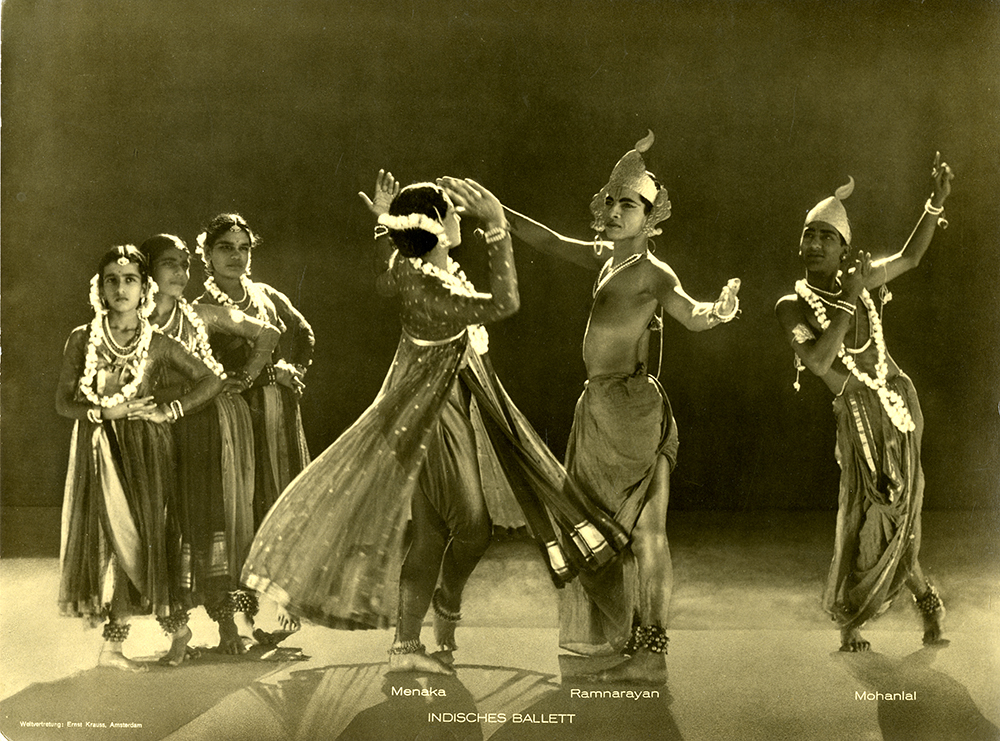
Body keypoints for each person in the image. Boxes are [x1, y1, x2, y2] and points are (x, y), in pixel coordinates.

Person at [244, 175, 623, 675]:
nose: (458, 216)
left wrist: (383, 221)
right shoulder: (432, 288)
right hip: (430, 414)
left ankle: (406, 647)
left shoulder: (408, 266)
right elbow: (505, 303)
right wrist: (496, 229)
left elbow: (384, 271)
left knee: (431, 532)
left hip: (441, 403)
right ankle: (442, 608)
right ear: (436, 228)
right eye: (451, 211)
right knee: (470, 527)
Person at [501, 131, 741, 683]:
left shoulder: (655, 273)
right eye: (608, 201)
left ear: (651, 218)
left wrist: (720, 309)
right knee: (605, 530)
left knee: (646, 533)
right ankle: (628, 637)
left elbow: (693, 313)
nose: (612, 211)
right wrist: (497, 210)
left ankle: (653, 652)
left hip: (633, 412)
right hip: (599, 411)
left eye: (626, 204)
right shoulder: (606, 258)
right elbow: (546, 240)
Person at [774, 153, 953, 652]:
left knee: (900, 514)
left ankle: (922, 603)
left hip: (899, 409)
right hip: (855, 418)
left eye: (825, 237)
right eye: (808, 235)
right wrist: (850, 298)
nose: (813, 244)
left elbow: (910, 258)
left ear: (844, 247)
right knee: (863, 513)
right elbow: (818, 361)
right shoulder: (791, 305)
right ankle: (866, 612)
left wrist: (933, 204)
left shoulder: (861, 281)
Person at [56, 245, 223, 671]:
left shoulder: (159, 342)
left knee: (145, 542)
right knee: (113, 543)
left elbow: (210, 380)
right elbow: (63, 403)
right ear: (100, 287)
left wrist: (173, 410)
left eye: (130, 279)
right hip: (100, 451)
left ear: (144, 288)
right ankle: (124, 645)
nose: (120, 288)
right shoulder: (82, 338)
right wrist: (102, 412)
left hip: (148, 455)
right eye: (112, 279)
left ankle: (172, 629)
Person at [140, 234, 280, 659]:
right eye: (169, 264)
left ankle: (227, 626)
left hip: (203, 428)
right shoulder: (131, 322)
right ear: (147, 272)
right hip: (151, 431)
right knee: (163, 527)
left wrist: (248, 376)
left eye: (185, 264)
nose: (181, 273)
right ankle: (177, 633)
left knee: (207, 521)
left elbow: (268, 333)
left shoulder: (200, 313)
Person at [194, 213, 315, 634]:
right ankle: (242, 616)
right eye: (225, 248)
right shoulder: (198, 309)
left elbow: (305, 334)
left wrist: (289, 368)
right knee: (237, 509)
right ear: (206, 254)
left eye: (244, 248)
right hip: (232, 421)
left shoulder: (265, 295)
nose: (236, 256)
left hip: (277, 417)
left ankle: (286, 602)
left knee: (277, 499)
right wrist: (251, 375)